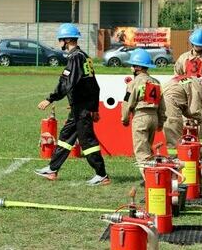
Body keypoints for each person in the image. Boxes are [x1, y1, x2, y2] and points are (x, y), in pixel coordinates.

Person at [34, 23, 110, 186]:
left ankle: (102, 175)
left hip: (82, 109)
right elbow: (94, 85)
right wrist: (94, 108)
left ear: (66, 40)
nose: (59, 42)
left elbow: (67, 83)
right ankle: (52, 169)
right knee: (65, 137)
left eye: (60, 39)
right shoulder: (84, 57)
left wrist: (50, 98)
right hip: (80, 107)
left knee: (87, 142)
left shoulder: (75, 57)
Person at [121, 49, 166, 180]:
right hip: (154, 118)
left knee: (141, 153)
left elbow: (127, 103)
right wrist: (161, 122)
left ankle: (152, 181)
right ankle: (154, 177)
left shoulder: (133, 83)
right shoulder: (156, 82)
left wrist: (124, 119)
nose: (131, 68)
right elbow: (162, 105)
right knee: (148, 151)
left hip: (140, 117)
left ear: (138, 67)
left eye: (133, 65)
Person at [173, 28, 202, 141]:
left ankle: (199, 147)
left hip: (201, 95)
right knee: (185, 119)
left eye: (201, 45)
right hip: (185, 94)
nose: (199, 47)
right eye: (197, 45)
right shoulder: (183, 58)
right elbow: (176, 76)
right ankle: (185, 144)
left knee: (200, 119)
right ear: (192, 43)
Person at [162, 74, 202, 150]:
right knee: (174, 129)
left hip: (164, 96)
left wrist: (189, 116)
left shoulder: (191, 79)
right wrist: (199, 119)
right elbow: (194, 110)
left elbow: (187, 109)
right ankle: (174, 157)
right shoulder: (198, 86)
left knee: (171, 128)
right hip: (171, 101)